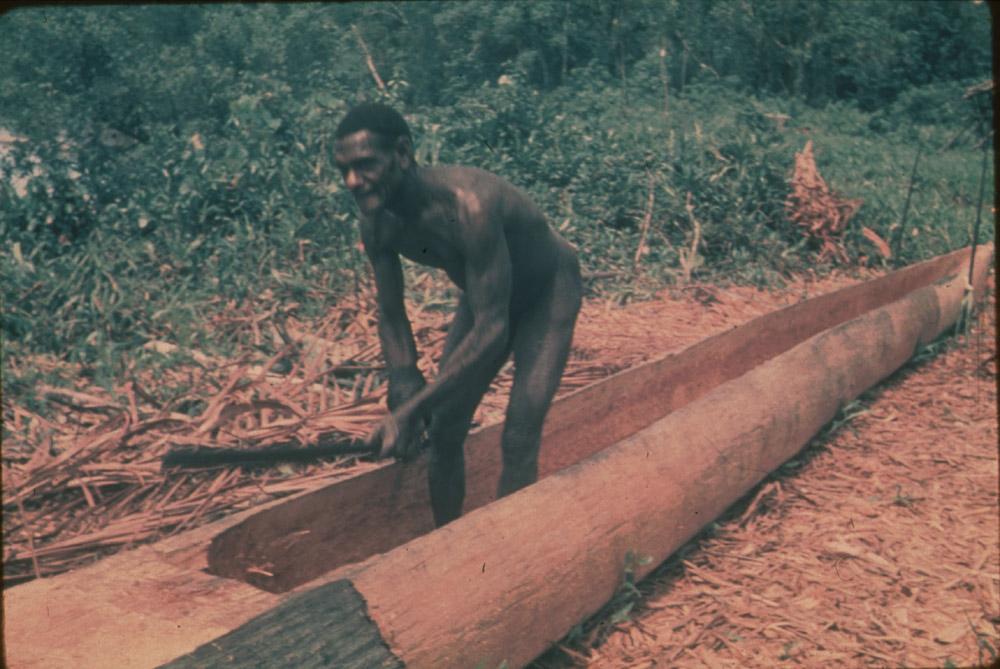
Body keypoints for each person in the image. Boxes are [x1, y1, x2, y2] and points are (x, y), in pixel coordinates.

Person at [334, 103, 582, 526]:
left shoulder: (469, 206)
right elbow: (391, 315)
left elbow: (492, 331)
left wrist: (409, 413)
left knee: (520, 433)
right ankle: (450, 545)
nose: (352, 181)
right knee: (446, 428)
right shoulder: (376, 223)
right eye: (343, 170)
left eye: (364, 165)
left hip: (546, 294)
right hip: (486, 298)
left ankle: (513, 553)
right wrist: (404, 384)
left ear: (403, 153)